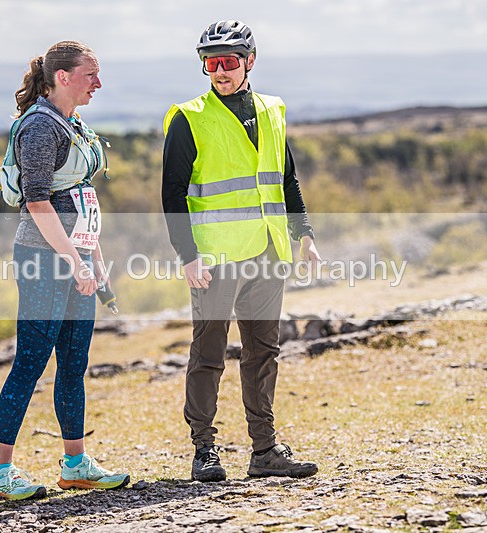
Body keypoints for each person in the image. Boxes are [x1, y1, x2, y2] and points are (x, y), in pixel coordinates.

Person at [162, 20, 322, 482]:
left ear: (249, 62)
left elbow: (285, 178)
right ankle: (204, 451)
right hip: (213, 257)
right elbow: (172, 193)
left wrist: (303, 232)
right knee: (208, 353)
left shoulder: (273, 109)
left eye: (228, 62)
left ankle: (265, 450)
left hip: (268, 251)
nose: (219, 71)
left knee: (263, 351)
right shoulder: (188, 117)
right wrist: (186, 255)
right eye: (210, 63)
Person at [0, 41, 129, 502]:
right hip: (44, 259)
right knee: (30, 361)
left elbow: (79, 195)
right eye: (92, 74)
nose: (99, 84)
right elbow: (38, 201)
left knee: (74, 363)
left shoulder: (73, 123)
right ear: (63, 77)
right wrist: (73, 261)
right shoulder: (41, 128)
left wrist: (94, 256)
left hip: (77, 256)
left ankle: (75, 464)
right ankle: (0, 477)